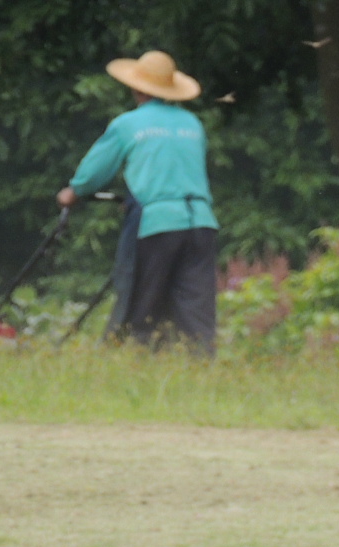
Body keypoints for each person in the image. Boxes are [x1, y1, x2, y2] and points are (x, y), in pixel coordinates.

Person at [57, 50, 219, 355]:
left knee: (143, 301)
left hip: (157, 224)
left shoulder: (128, 124)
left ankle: (137, 360)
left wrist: (72, 193)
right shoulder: (192, 124)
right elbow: (176, 169)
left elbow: (95, 171)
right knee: (195, 306)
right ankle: (201, 363)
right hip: (200, 222)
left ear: (138, 88)